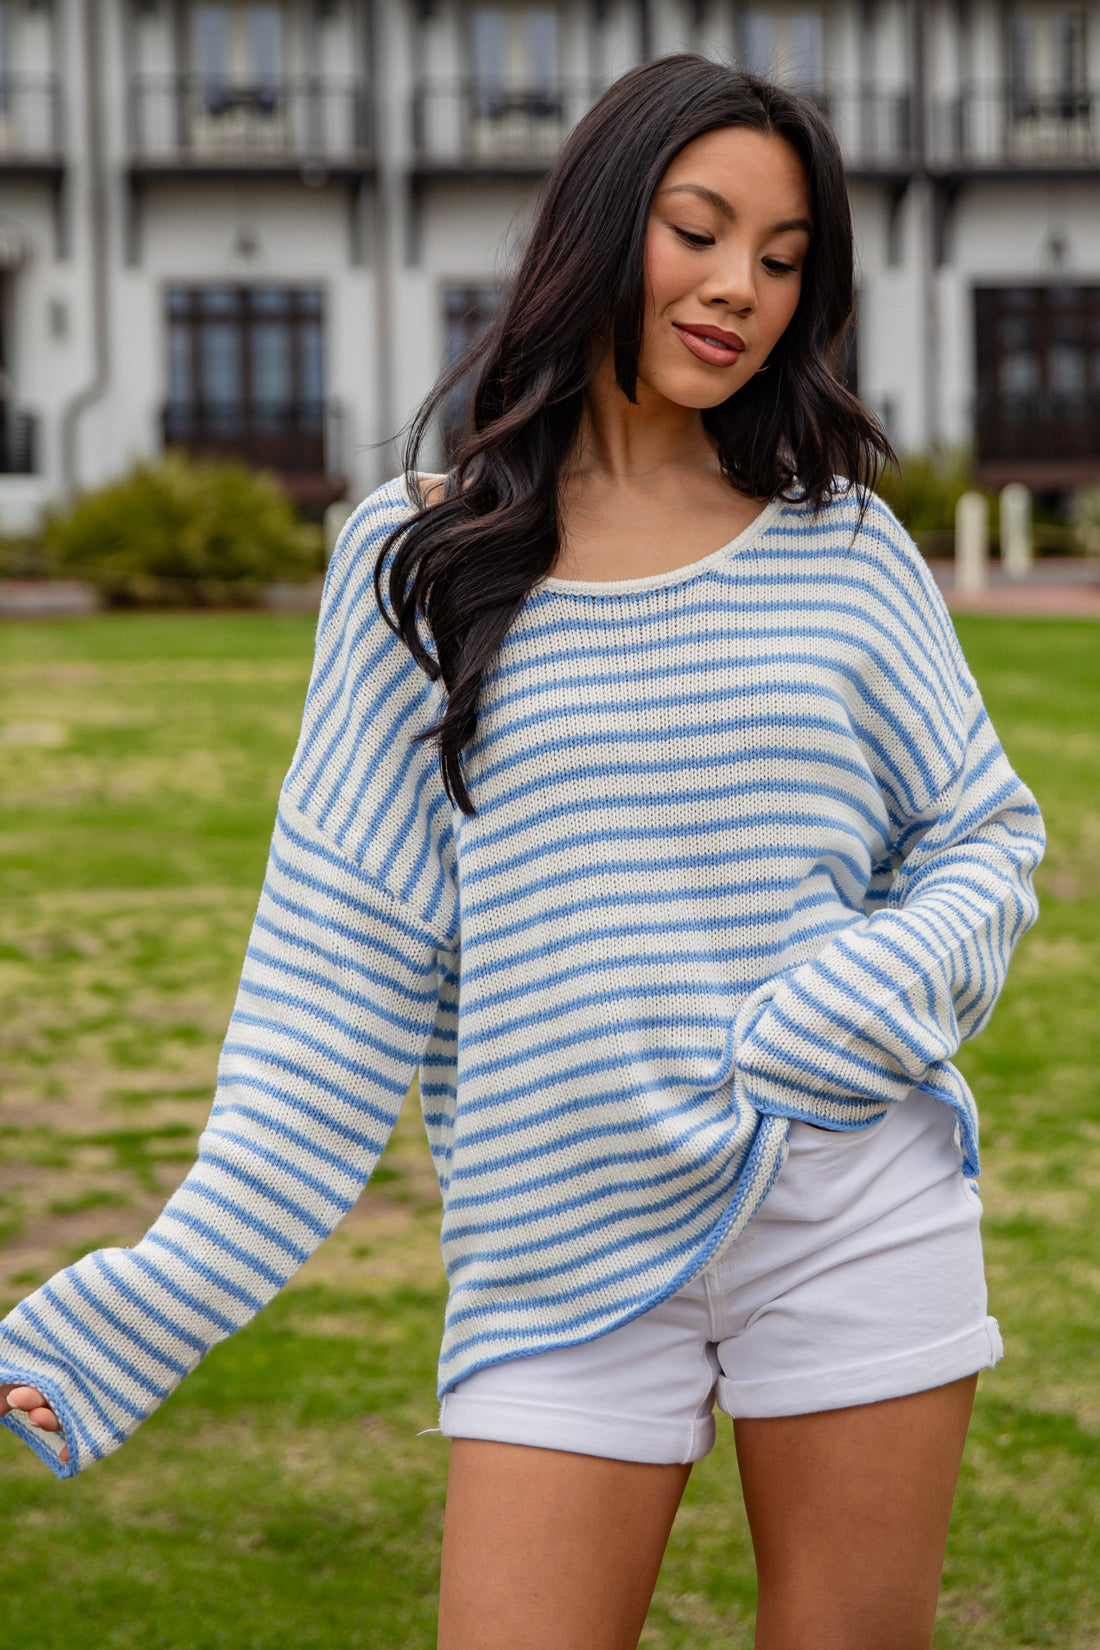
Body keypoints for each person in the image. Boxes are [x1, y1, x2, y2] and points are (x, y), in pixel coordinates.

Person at [1, 55, 1043, 1650]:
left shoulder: (843, 543)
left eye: (782, 260)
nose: (737, 290)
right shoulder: (416, 563)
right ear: (602, 222)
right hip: (554, 1236)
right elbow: (332, 984)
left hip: (850, 1195)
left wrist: (865, 992)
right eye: (699, 231)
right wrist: (153, 1295)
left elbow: (984, 834)